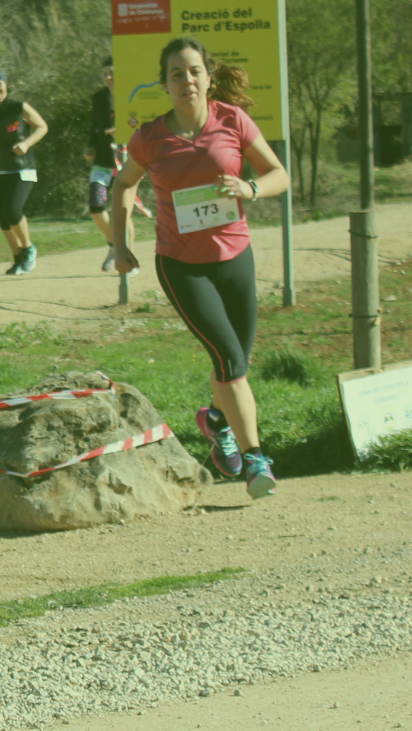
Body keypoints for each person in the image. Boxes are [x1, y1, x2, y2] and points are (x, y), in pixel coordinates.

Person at [110, 38, 289, 500]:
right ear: (165, 83)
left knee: (235, 361)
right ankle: (256, 459)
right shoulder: (150, 137)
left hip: (235, 258)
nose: (186, 80)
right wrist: (120, 243)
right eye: (176, 74)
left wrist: (250, 188)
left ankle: (215, 421)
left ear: (208, 77)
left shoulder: (232, 120)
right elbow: (123, 184)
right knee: (230, 361)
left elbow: (279, 174)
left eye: (194, 71)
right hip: (182, 266)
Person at [0, 70, 49, 275]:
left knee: (12, 209)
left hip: (22, 167)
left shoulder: (19, 107)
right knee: (2, 217)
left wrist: (26, 143)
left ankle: (28, 248)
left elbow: (42, 127)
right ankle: (17, 258)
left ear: (6, 86)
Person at [84, 57, 135, 272]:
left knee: (123, 211)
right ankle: (115, 246)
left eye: (112, 72)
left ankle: (129, 260)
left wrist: (123, 129)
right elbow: (95, 126)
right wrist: (90, 146)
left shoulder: (133, 95)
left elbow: (142, 124)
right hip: (103, 161)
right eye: (105, 73)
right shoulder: (98, 97)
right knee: (96, 207)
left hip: (128, 159)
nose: (109, 77)